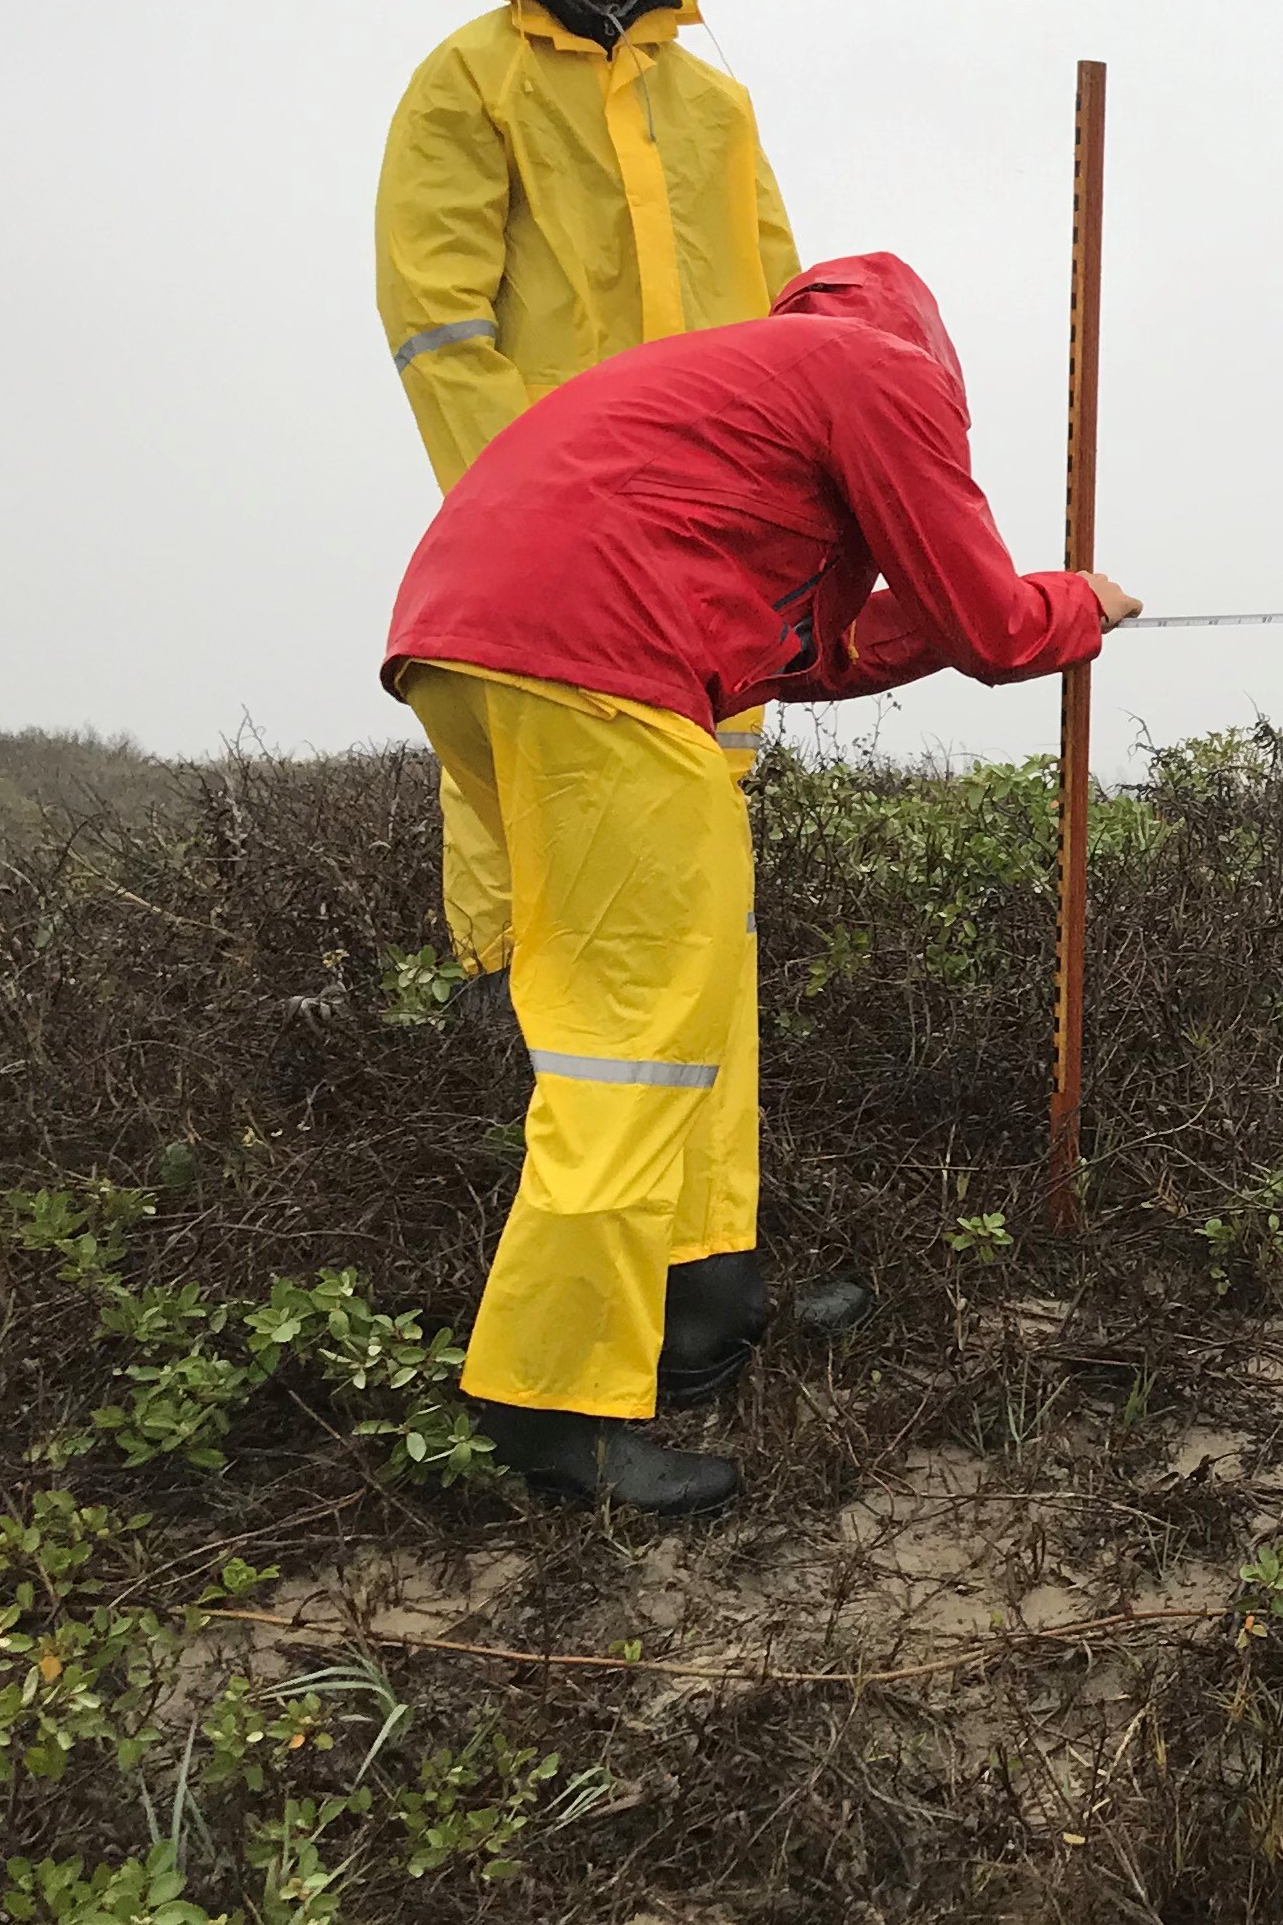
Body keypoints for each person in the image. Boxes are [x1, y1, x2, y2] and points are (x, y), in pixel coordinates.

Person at [379, 254, 1134, 1513]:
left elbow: (818, 653)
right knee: (632, 1043)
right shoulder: (880, 372)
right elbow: (994, 624)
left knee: (695, 1005)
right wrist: (1082, 605)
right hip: (598, 664)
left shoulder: (746, 396)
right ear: (932, 349)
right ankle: (547, 1407)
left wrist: (992, 617)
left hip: (472, 649)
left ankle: (702, 1306)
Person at [378, 0, 804, 982]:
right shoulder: (470, 81)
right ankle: (492, 1023)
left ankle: (686, 1038)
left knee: (698, 785)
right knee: (532, 769)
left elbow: (783, 307)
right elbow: (437, 321)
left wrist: (788, 494)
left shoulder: (716, 108)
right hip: (546, 517)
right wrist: (531, 502)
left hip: (707, 520)